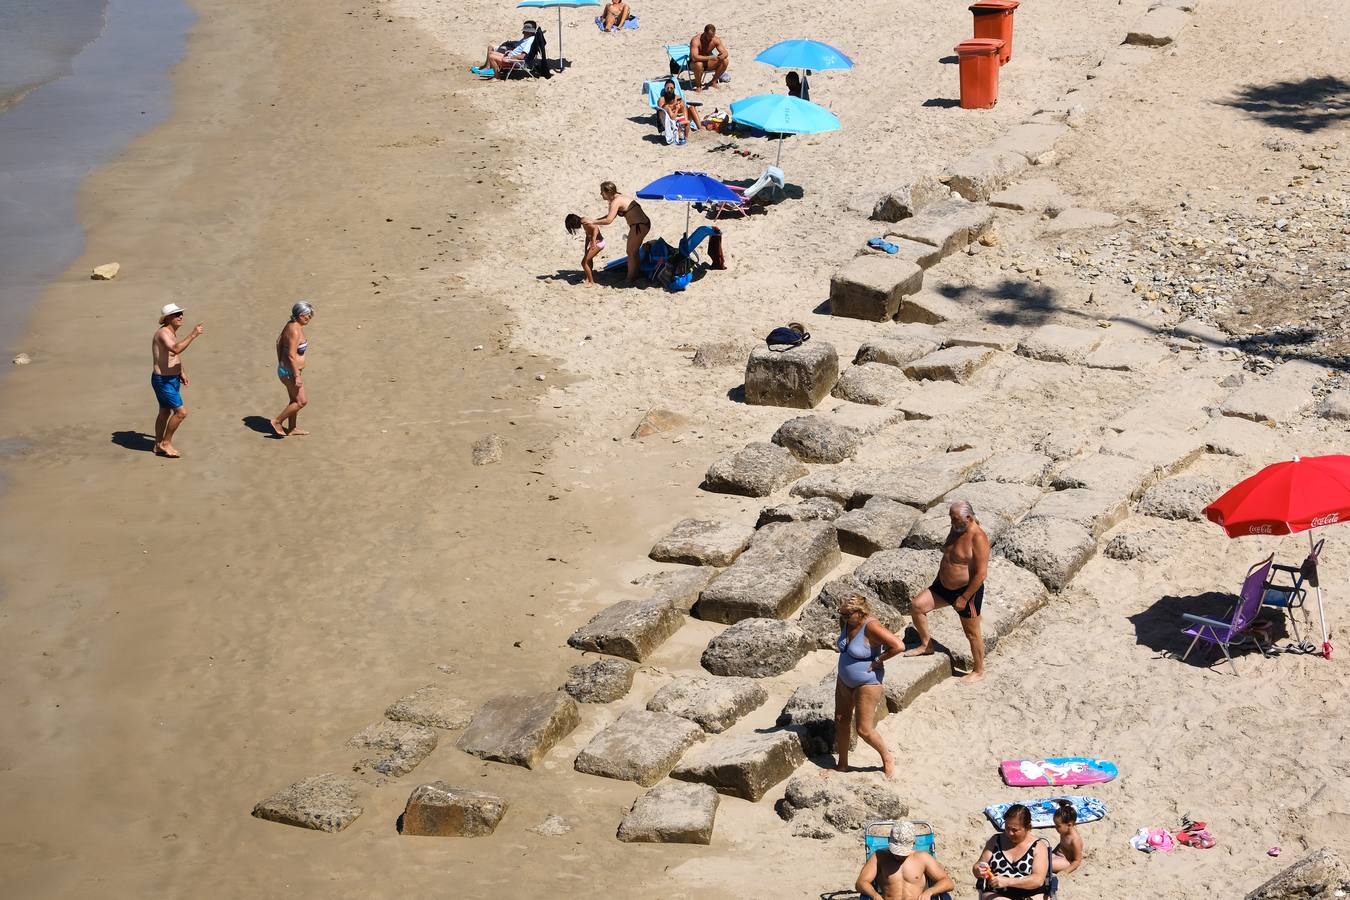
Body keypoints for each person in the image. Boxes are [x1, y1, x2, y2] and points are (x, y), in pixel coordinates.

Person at [904, 500, 989, 684]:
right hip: (942, 586)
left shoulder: (978, 537)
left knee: (972, 633)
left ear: (968, 517)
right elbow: (949, 557)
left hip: (966, 592)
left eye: (955, 518)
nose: (952, 521)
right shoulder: (957, 528)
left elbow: (981, 573)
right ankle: (926, 645)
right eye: (951, 517)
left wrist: (965, 598)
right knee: (917, 606)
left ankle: (979, 670)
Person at [832, 594, 904, 778]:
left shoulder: (871, 626)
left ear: (861, 612)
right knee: (841, 720)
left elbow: (898, 645)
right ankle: (842, 765)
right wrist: (845, 620)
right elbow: (845, 645)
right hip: (844, 679)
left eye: (848, 615)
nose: (844, 618)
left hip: (867, 682)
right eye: (842, 614)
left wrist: (879, 659)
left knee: (863, 729)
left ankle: (887, 758)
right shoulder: (847, 622)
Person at [150, 303, 203, 458]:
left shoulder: (171, 333)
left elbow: (172, 356)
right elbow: (176, 349)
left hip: (171, 379)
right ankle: (166, 443)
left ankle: (158, 444)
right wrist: (193, 334)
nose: (180, 316)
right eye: (176, 314)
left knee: (165, 412)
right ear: (167, 318)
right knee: (180, 413)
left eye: (181, 313)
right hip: (163, 380)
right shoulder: (163, 334)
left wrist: (181, 371)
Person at [857, 821, 956, 900]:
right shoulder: (879, 857)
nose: (899, 856)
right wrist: (875, 895)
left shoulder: (923, 858)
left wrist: (930, 891)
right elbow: (861, 883)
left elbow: (948, 882)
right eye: (896, 852)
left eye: (904, 852)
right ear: (889, 841)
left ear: (913, 843)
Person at [974, 805, 1052, 900]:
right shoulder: (995, 841)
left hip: (1030, 895)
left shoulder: (1038, 846)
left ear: (1027, 827)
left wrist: (1008, 881)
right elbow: (979, 865)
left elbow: (1038, 880)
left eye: (1015, 830)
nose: (1009, 833)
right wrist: (978, 870)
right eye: (1007, 828)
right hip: (998, 894)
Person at [584, 181, 651, 284]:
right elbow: (610, 216)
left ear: (607, 192)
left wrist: (593, 221)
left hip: (639, 226)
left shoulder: (616, 201)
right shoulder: (616, 198)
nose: (600, 194)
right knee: (634, 252)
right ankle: (635, 274)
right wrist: (595, 220)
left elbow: (609, 220)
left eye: (602, 191)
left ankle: (630, 279)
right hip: (640, 224)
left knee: (631, 252)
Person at [271, 300, 314, 437]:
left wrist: (280, 362)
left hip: (286, 370)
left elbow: (278, 342)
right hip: (290, 373)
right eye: (305, 315)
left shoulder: (290, 325)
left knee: (294, 400)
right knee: (302, 401)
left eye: (310, 315)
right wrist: (296, 375)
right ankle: (277, 421)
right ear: (298, 315)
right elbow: (290, 355)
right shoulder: (295, 331)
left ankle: (292, 428)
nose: (308, 318)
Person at [471, 20, 537, 77]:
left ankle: (495, 75)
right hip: (512, 56)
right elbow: (519, 48)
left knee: (491, 56)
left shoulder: (529, 41)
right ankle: (487, 67)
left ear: (530, 32)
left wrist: (510, 57)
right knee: (491, 53)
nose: (523, 32)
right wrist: (510, 51)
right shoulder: (528, 38)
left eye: (525, 31)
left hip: (515, 62)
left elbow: (522, 56)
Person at [658, 79, 701, 144]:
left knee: (691, 108)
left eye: (671, 88)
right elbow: (661, 113)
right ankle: (684, 127)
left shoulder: (678, 98)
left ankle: (700, 128)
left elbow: (684, 109)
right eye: (668, 88)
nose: (669, 90)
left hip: (681, 118)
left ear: (674, 89)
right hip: (671, 121)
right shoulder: (662, 99)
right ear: (665, 88)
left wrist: (684, 119)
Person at [565, 213, 604, 284]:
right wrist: (586, 246)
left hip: (599, 243)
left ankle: (591, 282)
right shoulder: (583, 222)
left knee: (584, 263)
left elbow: (596, 228)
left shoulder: (585, 222)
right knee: (588, 260)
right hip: (595, 243)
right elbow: (588, 235)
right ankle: (588, 278)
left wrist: (594, 240)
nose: (575, 228)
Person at [688, 24, 728, 92]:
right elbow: (694, 57)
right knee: (699, 64)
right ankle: (698, 86)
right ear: (704, 33)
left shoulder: (715, 39)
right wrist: (710, 58)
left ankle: (713, 82)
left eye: (712, 36)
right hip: (694, 64)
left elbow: (725, 53)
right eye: (709, 36)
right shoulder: (696, 40)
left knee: (725, 61)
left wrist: (722, 56)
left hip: (708, 63)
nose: (711, 38)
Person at [1051, 801, 1083, 877]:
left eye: (1058, 826)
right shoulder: (1064, 831)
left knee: (1047, 864)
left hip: (1066, 861)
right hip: (1058, 855)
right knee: (1041, 853)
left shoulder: (1075, 840)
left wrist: (1066, 871)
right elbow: (1061, 844)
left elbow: (1077, 860)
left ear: (1069, 825)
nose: (1055, 828)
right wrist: (1052, 852)